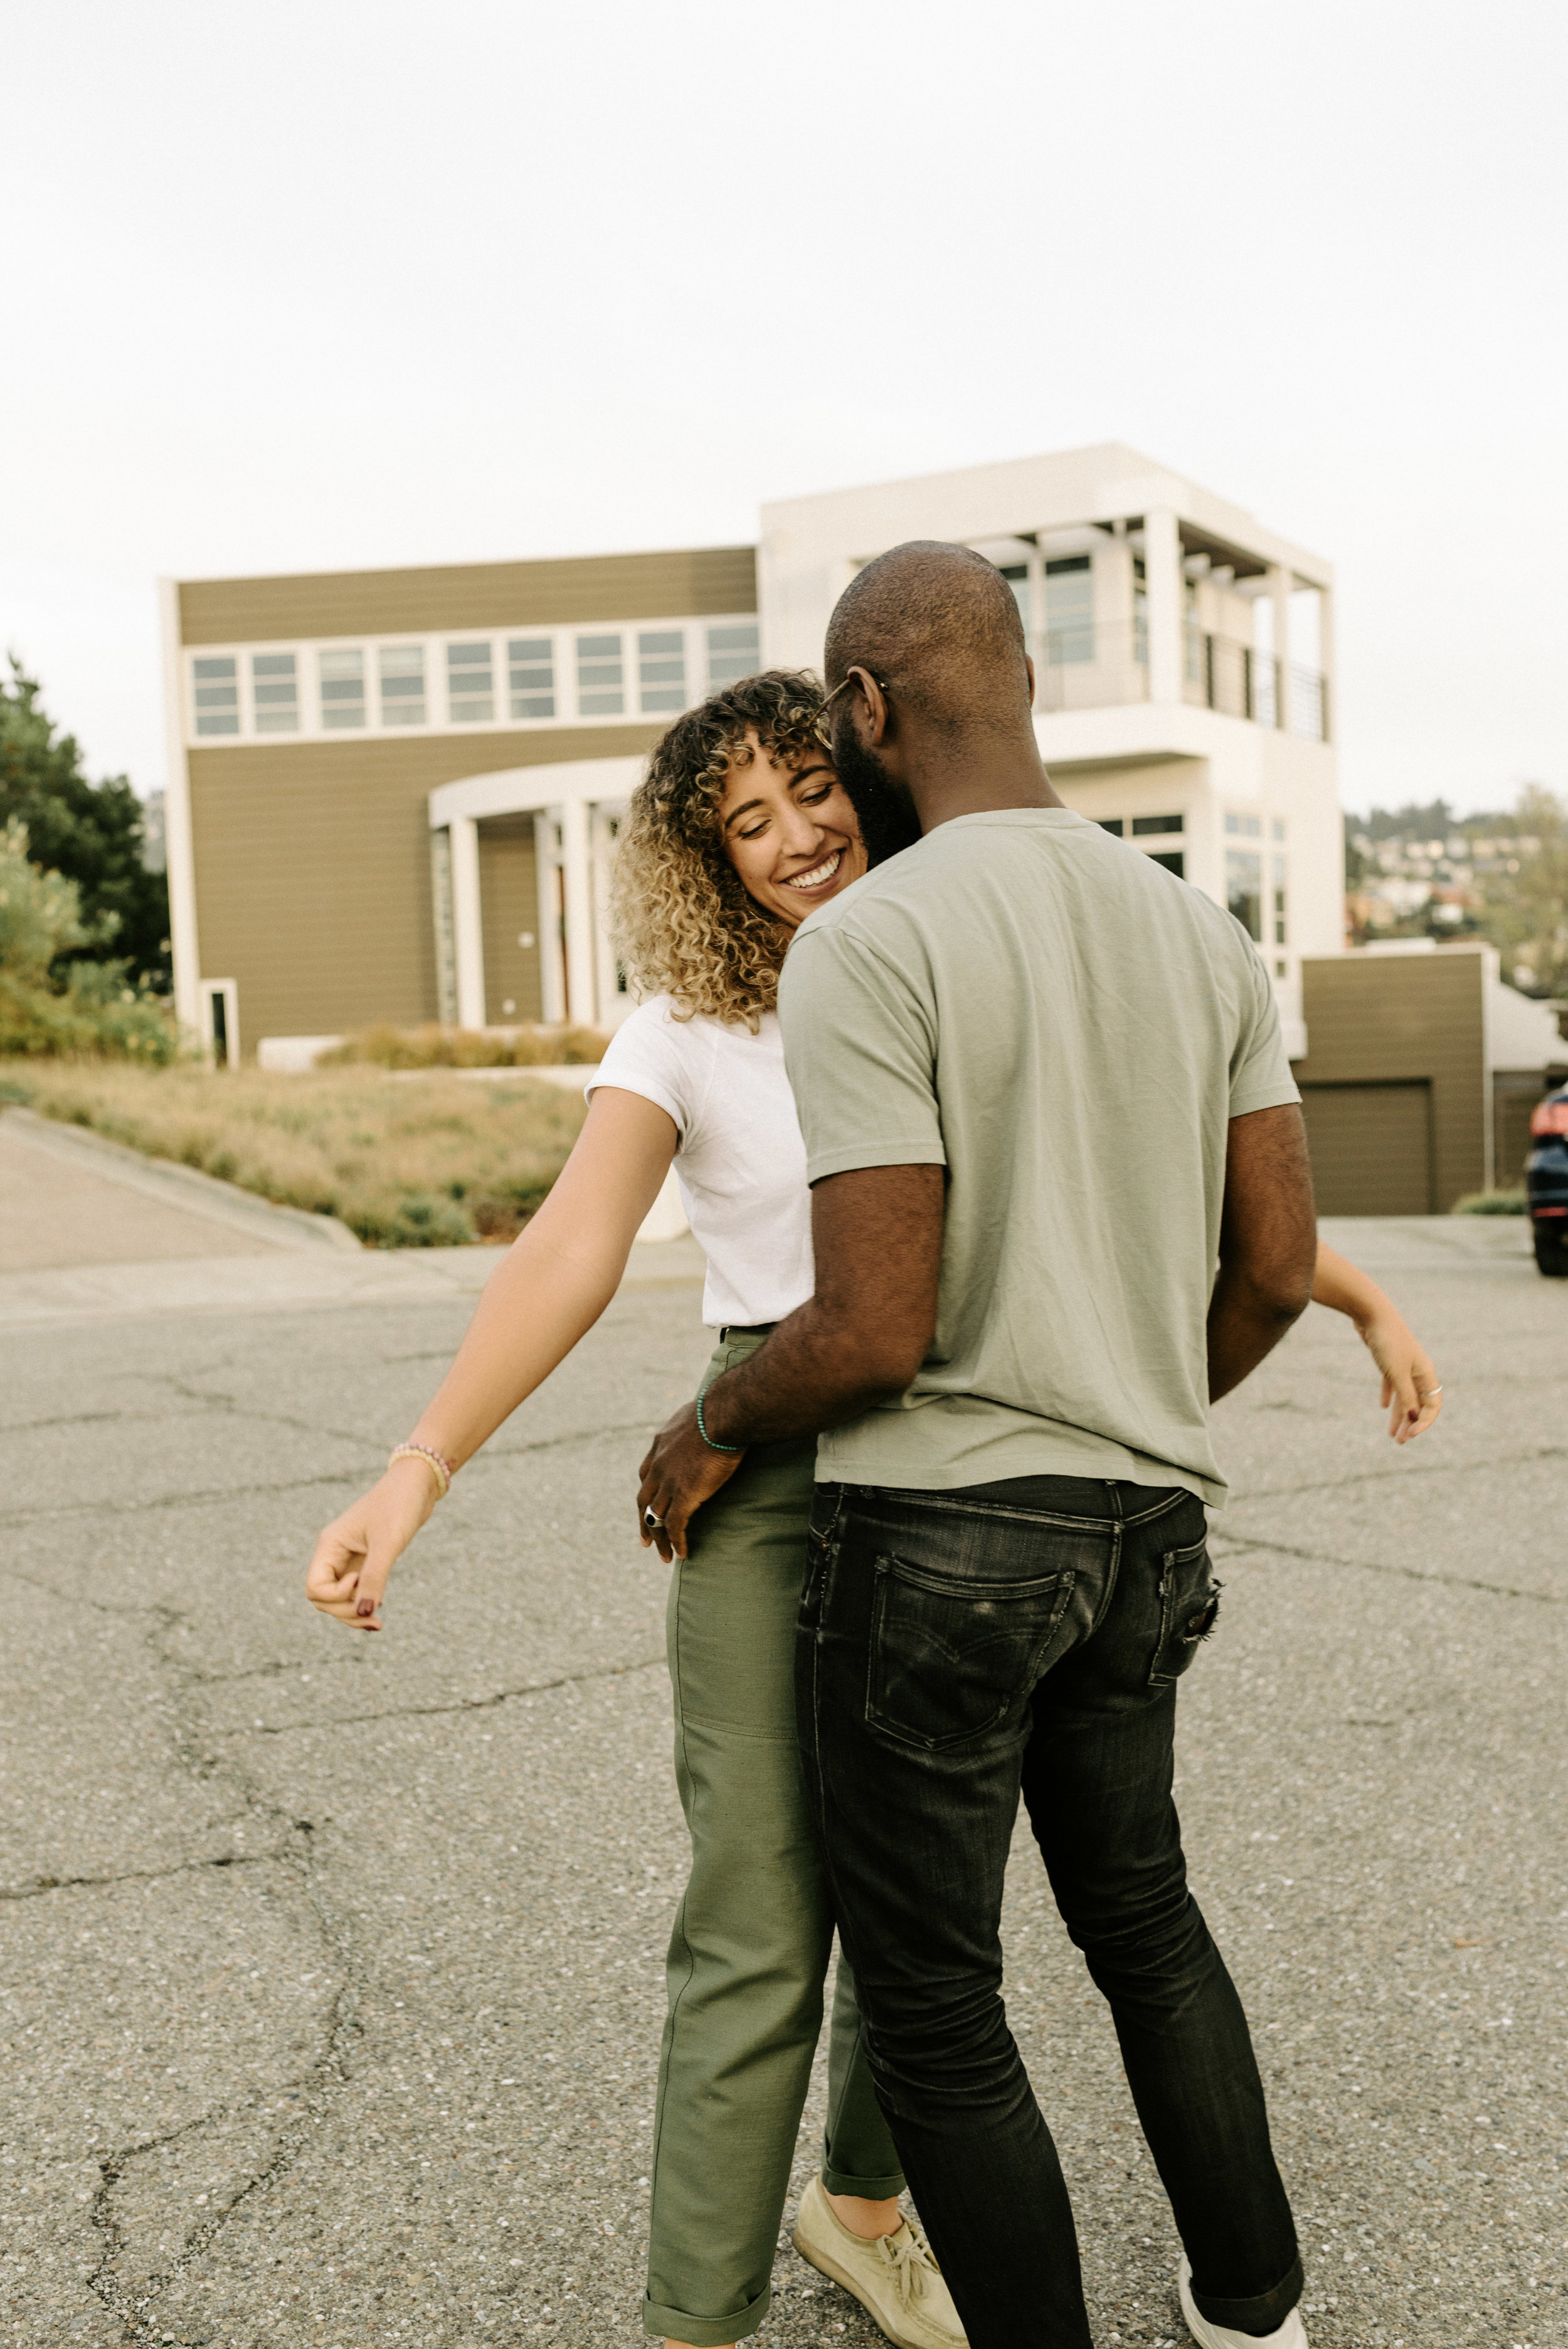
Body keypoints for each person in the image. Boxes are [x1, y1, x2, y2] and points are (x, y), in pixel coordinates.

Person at [306, 663, 1440, 2349]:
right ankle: (694, 2317)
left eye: (806, 789)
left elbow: (1132, 1185)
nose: (788, 837)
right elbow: (567, 1247)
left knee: (930, 1911)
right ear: (706, 865)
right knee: (764, 1922)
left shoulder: (952, 945)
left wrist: (1349, 1293)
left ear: (869, 766)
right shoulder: (685, 1030)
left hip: (958, 1456)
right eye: (740, 823)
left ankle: (860, 2208)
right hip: (769, 1467)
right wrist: (417, 1468)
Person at [633, 549, 1438, 2349]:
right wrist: (1128, 1398)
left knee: (932, 2003)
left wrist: (702, 1427)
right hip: (1144, 1529)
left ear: (863, 708)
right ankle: (1255, 2318)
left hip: (931, 1546)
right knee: (1145, 1925)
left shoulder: (870, 942)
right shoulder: (1193, 930)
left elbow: (868, 1326)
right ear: (1019, 679)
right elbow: (1278, 1267)